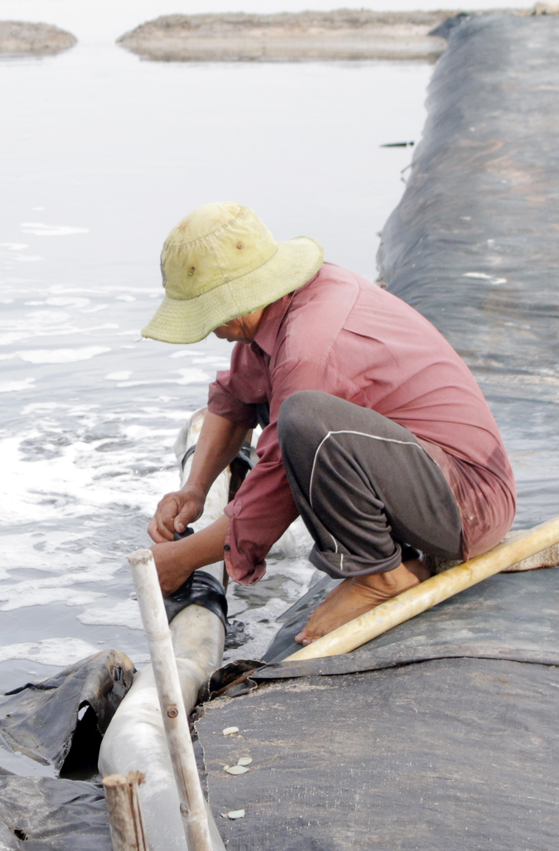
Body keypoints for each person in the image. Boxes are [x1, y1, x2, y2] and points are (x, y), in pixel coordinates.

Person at [142, 202, 516, 646]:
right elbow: (236, 396)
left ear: (239, 298)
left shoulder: (308, 347)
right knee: (298, 415)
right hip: (422, 480)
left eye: (209, 315)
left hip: (466, 500)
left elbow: (276, 484)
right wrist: (194, 491)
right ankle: (397, 560)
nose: (208, 330)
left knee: (303, 418)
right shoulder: (279, 308)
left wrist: (181, 559)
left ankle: (382, 577)